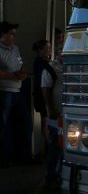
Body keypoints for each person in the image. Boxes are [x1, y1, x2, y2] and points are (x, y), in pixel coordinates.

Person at [0, 21, 32, 167]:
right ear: (2, 35)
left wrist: (21, 74)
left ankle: (24, 156)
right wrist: (13, 76)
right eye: (11, 34)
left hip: (18, 91)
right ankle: (4, 159)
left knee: (25, 124)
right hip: (4, 92)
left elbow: (19, 65)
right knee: (4, 127)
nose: (14, 37)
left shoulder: (16, 49)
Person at [41, 41, 63, 187]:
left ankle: (61, 173)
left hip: (68, 113)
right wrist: (52, 110)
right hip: (57, 114)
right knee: (55, 144)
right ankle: (51, 175)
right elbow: (46, 91)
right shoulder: (50, 68)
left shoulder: (70, 67)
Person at [32, 39, 52, 156]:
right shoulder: (40, 63)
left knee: (46, 120)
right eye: (47, 48)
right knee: (45, 121)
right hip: (41, 95)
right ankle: (48, 146)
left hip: (43, 95)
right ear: (40, 50)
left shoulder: (45, 62)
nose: (49, 50)